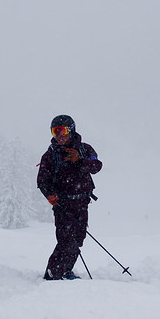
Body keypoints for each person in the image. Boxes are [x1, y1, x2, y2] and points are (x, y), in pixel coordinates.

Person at [37, 115, 102, 280]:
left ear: (71, 130)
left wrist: (79, 160)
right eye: (55, 131)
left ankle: (66, 271)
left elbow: (96, 166)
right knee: (66, 240)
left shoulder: (85, 150)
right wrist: (52, 198)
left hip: (82, 202)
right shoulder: (50, 155)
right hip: (63, 204)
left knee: (79, 238)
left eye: (62, 131)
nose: (59, 135)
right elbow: (42, 181)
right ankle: (53, 274)